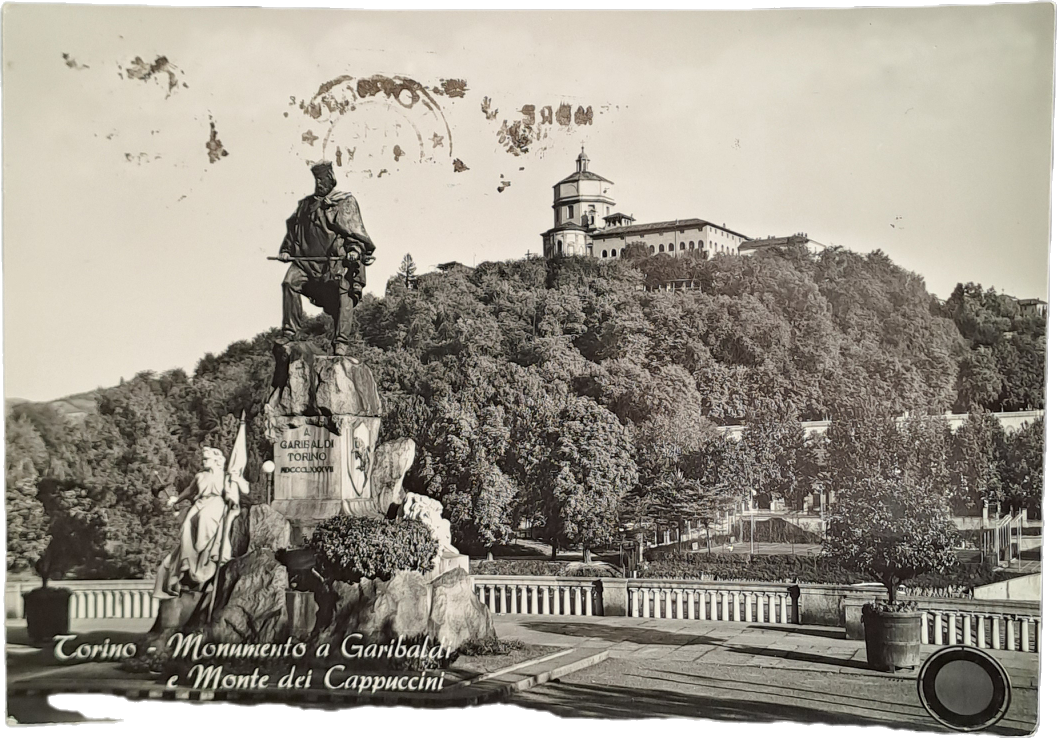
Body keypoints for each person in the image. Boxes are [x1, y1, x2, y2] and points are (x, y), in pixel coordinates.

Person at [276, 160, 376, 356]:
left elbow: (354, 231)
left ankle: (341, 341)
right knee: (289, 282)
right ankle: (289, 331)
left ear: (331, 179)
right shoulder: (306, 205)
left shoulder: (344, 202)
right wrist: (287, 249)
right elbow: (294, 229)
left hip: (335, 263)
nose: (319, 184)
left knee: (344, 292)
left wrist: (354, 250)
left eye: (322, 179)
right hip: (307, 263)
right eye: (317, 180)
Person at [153, 447, 246, 599]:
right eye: (203, 459)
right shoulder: (200, 476)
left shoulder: (225, 476)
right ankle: (189, 560)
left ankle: (205, 556)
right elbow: (190, 491)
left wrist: (236, 482)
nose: (204, 461)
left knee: (205, 518)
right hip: (199, 503)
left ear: (216, 460)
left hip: (216, 503)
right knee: (186, 526)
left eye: (207, 459)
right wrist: (176, 500)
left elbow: (245, 489)